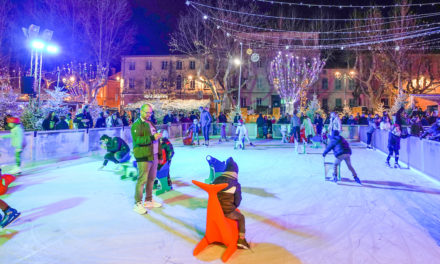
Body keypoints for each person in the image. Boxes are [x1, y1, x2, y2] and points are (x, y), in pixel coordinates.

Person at [131, 103, 163, 214]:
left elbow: (155, 140)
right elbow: (138, 140)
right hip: (143, 156)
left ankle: (149, 200)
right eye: (147, 112)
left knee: (151, 179)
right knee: (142, 180)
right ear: (141, 111)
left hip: (153, 155)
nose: (149, 114)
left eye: (150, 112)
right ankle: (137, 203)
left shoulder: (150, 123)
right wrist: (152, 137)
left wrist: (159, 154)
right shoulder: (137, 125)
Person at [212, 157, 250, 249]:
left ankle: (215, 233)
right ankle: (241, 240)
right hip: (227, 211)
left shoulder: (216, 180)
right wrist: (233, 207)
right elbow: (237, 202)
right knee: (241, 217)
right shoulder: (235, 184)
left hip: (215, 210)